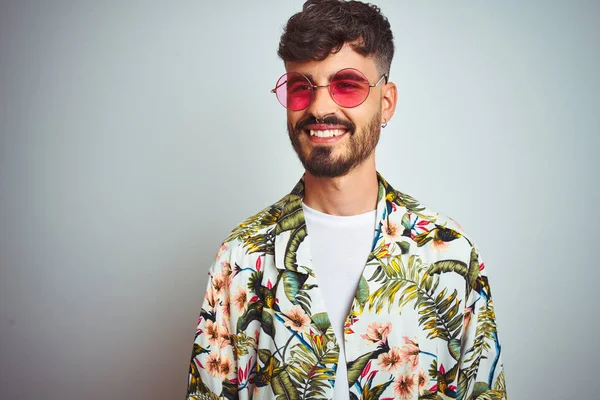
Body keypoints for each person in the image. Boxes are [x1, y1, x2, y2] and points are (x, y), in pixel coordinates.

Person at [186, 1, 506, 399]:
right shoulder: (240, 258)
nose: (320, 107)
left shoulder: (449, 252)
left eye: (347, 85)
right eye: (301, 87)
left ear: (386, 101)